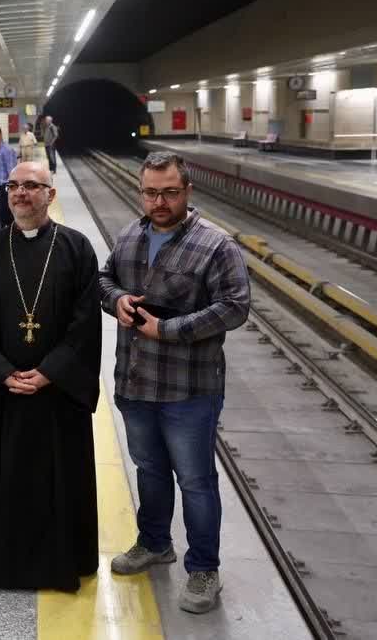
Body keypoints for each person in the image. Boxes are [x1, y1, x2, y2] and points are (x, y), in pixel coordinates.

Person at [99, 152, 251, 614]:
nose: (159, 202)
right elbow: (103, 278)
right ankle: (154, 542)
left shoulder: (216, 245)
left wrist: (168, 330)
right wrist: (117, 300)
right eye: (150, 192)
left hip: (189, 390)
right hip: (135, 382)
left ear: (187, 191)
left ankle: (204, 569)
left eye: (169, 192)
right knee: (148, 469)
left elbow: (235, 306)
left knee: (196, 480)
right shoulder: (130, 235)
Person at [0, 161, 101, 590]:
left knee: (59, 479)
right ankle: (3, 561)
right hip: (5, 395)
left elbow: (85, 325)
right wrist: (2, 372)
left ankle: (65, 559)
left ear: (50, 194)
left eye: (31, 185)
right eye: (13, 186)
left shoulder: (77, 248)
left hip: (57, 396)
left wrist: (49, 372)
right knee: (4, 478)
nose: (20, 193)